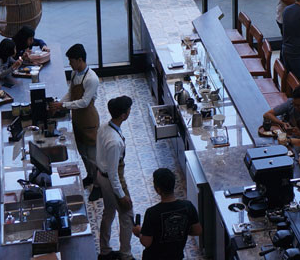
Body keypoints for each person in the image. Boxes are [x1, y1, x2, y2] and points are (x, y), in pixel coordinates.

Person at [52, 43, 100, 184]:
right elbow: (71, 93)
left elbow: (84, 102)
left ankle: (98, 186)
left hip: (89, 120)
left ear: (80, 60)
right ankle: (90, 177)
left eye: (71, 61)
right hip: (78, 119)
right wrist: (59, 104)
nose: (70, 64)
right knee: (82, 152)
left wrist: (63, 105)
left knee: (92, 156)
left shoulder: (91, 78)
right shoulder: (74, 73)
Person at [132, 167, 201, 260]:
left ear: (158, 189)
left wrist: (138, 232)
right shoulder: (188, 206)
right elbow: (197, 231)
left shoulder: (152, 213)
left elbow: (146, 242)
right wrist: (179, 230)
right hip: (176, 256)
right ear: (173, 184)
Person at [96, 94, 134, 260]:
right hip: (111, 179)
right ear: (123, 115)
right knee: (127, 215)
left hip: (101, 176)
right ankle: (125, 255)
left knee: (109, 211)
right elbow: (113, 174)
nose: (130, 111)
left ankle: (104, 251)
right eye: (128, 110)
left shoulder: (105, 127)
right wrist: (122, 195)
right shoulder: (114, 142)